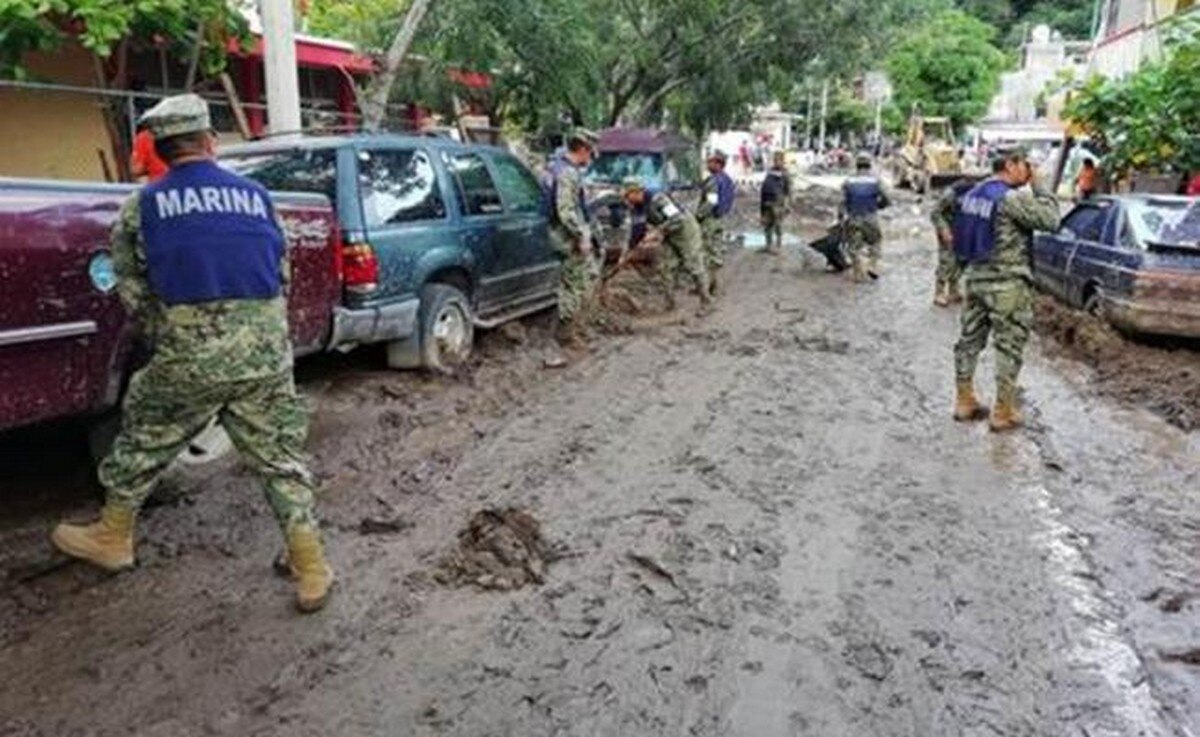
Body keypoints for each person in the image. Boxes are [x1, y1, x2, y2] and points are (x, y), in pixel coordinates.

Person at [49, 94, 333, 613]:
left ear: (159, 149)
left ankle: (114, 536)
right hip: (266, 354)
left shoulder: (143, 205)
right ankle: (310, 566)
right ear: (209, 142)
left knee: (141, 433)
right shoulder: (257, 196)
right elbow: (282, 271)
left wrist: (172, 330)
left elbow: (129, 285)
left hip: (190, 357)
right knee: (280, 459)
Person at [952, 147, 1060, 432]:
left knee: (969, 341)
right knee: (1008, 346)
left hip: (975, 278)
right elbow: (1051, 221)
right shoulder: (1009, 198)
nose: (1028, 170)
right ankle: (1003, 411)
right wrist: (1041, 187)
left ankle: (964, 400)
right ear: (1011, 165)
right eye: (1026, 164)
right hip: (1007, 285)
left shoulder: (973, 195)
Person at [543, 128, 600, 341]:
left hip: (559, 233)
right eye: (591, 152)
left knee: (578, 280)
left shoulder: (554, 167)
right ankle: (567, 333)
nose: (591, 158)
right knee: (575, 283)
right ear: (583, 149)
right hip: (566, 237)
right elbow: (566, 210)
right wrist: (581, 235)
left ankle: (576, 327)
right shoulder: (567, 173)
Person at [623, 179, 711, 313]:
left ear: (636, 192)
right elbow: (637, 231)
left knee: (693, 265)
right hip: (668, 233)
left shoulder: (658, 199)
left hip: (685, 231)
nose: (626, 200)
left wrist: (658, 231)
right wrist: (627, 252)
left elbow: (677, 219)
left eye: (627, 195)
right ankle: (669, 304)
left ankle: (706, 302)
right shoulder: (636, 207)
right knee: (666, 266)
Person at [930, 175, 987, 306]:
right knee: (946, 261)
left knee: (961, 261)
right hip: (949, 228)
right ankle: (939, 293)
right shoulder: (953, 193)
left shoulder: (979, 193)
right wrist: (943, 229)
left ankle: (953, 291)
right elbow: (935, 212)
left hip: (963, 230)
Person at [840, 153, 891, 282]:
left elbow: (842, 202)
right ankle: (872, 266)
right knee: (875, 242)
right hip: (870, 217)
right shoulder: (876, 181)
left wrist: (841, 217)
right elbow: (887, 199)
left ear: (856, 166)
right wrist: (880, 206)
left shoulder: (848, 181)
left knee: (854, 247)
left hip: (853, 218)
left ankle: (858, 274)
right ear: (869, 165)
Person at [695, 150, 736, 294]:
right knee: (716, 249)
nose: (708, 164)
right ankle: (714, 283)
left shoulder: (713, 180)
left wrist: (698, 216)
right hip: (721, 218)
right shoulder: (727, 179)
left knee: (706, 251)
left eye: (710, 162)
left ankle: (708, 287)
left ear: (718, 164)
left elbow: (711, 202)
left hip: (710, 220)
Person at [760, 150, 791, 254]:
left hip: (778, 203)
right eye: (775, 159)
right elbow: (765, 186)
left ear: (782, 161)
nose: (776, 161)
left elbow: (788, 190)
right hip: (767, 201)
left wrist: (787, 204)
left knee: (778, 225)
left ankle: (779, 246)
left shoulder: (785, 174)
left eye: (778, 159)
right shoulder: (770, 172)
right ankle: (768, 245)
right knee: (767, 224)